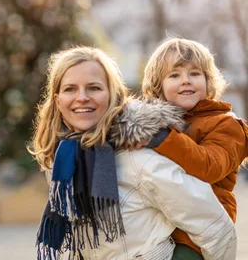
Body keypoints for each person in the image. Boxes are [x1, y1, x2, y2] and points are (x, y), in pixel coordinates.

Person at [29, 46, 237, 260]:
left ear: (113, 96)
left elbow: (216, 228)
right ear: (57, 100)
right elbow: (81, 242)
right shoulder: (62, 160)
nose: (82, 97)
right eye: (70, 89)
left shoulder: (138, 157)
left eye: (94, 88)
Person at [142, 38, 248, 259]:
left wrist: (163, 138)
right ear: (158, 85)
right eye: (174, 75)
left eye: (194, 74)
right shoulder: (158, 123)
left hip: (199, 233)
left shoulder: (226, 124)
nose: (185, 81)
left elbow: (209, 165)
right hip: (159, 224)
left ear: (209, 81)